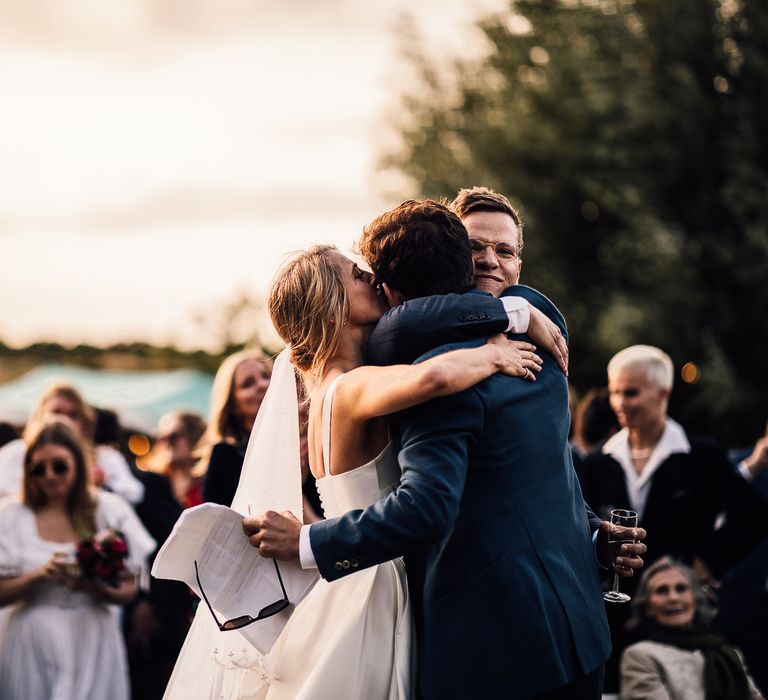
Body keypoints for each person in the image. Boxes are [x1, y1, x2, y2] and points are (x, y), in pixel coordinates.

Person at [247, 200, 645, 699]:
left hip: (505, 634)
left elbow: (543, 470)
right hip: (483, 629)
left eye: (505, 250)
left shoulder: (514, 336)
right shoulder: (494, 351)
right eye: (476, 247)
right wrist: (498, 338)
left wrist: (589, 537)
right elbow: (428, 497)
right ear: (456, 257)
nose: (490, 262)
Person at [578, 344, 768, 693]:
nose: (621, 403)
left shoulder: (701, 456)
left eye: (631, 392)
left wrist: (707, 564)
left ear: (663, 393)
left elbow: (754, 515)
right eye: (616, 392)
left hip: (677, 613)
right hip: (614, 617)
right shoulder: (596, 462)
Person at [0, 420, 155, 700]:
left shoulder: (106, 509)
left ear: (78, 464)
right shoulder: (11, 515)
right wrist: (39, 575)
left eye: (59, 466)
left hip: (94, 639)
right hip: (31, 641)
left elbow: (129, 588)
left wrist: (96, 587)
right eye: (38, 469)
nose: (49, 475)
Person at [620, 557, 763, 699]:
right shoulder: (641, 655)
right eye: (662, 590)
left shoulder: (727, 650)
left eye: (681, 589)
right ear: (647, 606)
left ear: (696, 598)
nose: (673, 598)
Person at [0, 382, 144, 504]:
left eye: (73, 415)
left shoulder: (105, 457)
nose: (65, 420)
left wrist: (102, 485)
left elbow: (134, 493)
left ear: (85, 421)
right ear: (40, 416)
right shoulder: (16, 453)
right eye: (56, 412)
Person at [200, 349, 273, 507]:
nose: (262, 385)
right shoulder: (225, 455)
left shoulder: (303, 440)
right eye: (248, 384)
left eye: (266, 376)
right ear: (233, 405)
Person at [147, 411, 207, 509]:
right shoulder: (155, 484)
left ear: (195, 437)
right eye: (162, 438)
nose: (167, 443)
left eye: (173, 437)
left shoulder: (209, 483)